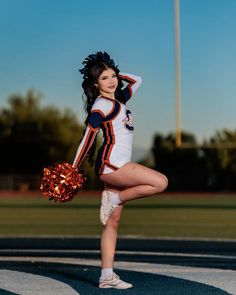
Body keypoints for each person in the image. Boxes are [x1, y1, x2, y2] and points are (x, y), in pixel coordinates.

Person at [73, 51, 168, 289]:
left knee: (112, 223)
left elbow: (138, 80)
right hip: (112, 164)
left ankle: (106, 276)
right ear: (95, 83)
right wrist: (73, 168)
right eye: (104, 78)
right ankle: (115, 197)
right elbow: (87, 138)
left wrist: (113, 70)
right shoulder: (102, 105)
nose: (112, 80)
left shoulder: (120, 100)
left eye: (113, 75)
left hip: (116, 165)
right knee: (160, 182)